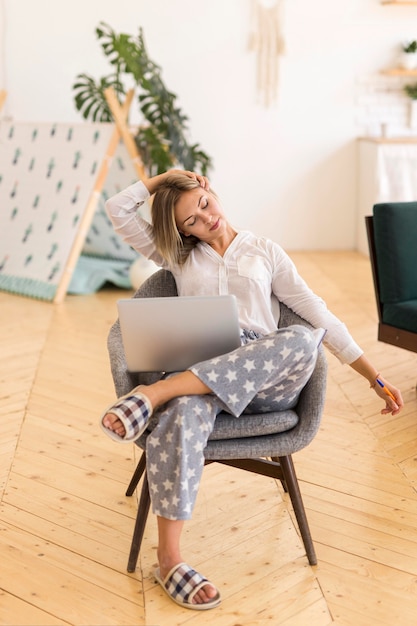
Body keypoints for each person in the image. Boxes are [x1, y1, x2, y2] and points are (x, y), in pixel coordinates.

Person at [100, 169, 403, 610]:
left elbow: (317, 314)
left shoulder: (265, 251)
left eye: (205, 205)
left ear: (210, 191)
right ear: (181, 231)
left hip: (266, 380)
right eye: (192, 222)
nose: (207, 220)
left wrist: (373, 376)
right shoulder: (179, 257)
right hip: (203, 376)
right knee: (184, 412)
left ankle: (155, 395)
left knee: (302, 339)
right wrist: (161, 179)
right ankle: (170, 561)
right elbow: (117, 210)